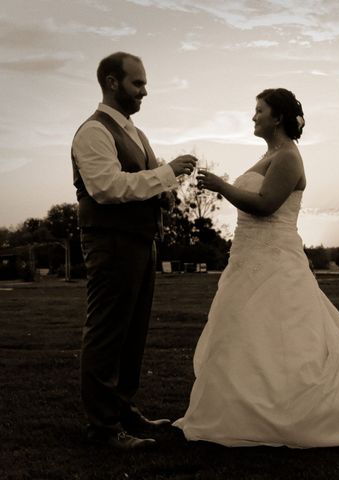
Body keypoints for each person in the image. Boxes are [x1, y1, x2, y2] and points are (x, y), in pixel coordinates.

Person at [173, 88, 339, 447]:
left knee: (283, 336)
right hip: (248, 260)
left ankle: (296, 410)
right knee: (245, 336)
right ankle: (242, 409)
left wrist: (222, 187)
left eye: (259, 110)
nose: (253, 116)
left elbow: (266, 204)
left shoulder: (289, 158)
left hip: (274, 262)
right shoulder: (270, 154)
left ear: (277, 118)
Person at [71, 51, 197, 450]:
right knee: (107, 333)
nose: (145, 90)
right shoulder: (93, 132)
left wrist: (167, 191)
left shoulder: (137, 135)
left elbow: (147, 182)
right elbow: (106, 187)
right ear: (112, 82)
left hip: (141, 242)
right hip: (109, 242)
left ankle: (124, 408)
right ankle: (104, 429)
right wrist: (166, 172)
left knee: (132, 334)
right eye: (137, 83)